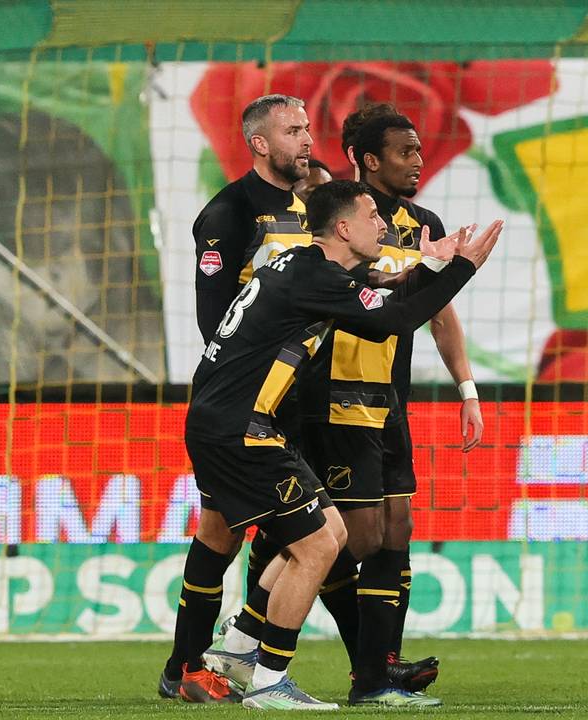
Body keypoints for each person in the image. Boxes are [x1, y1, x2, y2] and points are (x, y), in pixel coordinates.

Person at [183, 179, 501, 709]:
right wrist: (465, 268)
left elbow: (381, 285)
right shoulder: (313, 276)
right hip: (237, 430)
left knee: (328, 534)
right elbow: (394, 319)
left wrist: (437, 264)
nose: (384, 224)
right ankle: (266, 680)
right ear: (344, 227)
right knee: (317, 546)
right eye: (373, 215)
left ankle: (241, 647)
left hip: (239, 423)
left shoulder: (304, 267)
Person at [160, 93, 317, 703]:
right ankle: (190, 664)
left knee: (275, 533)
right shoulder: (229, 212)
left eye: (307, 128)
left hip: (296, 396)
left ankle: (227, 657)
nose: (306, 139)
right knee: (224, 533)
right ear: (260, 143)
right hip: (242, 401)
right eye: (293, 131)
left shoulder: (312, 210)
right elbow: (216, 320)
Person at [353, 109, 485, 697]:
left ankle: (382, 665)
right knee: (335, 536)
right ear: (371, 160)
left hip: (389, 402)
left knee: (396, 527)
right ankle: (252, 628)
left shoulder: (422, 224)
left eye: (419, 150)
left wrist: (467, 389)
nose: (418, 161)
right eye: (405, 152)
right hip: (333, 400)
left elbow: (439, 312)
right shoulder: (343, 217)